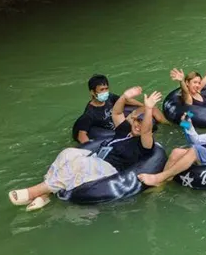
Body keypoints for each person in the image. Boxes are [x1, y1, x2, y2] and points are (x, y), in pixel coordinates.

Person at [9, 89, 162, 211]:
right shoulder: (125, 130)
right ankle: (45, 194)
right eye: (136, 121)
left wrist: (148, 109)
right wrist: (124, 96)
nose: (138, 125)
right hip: (97, 157)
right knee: (67, 153)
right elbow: (116, 113)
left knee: (79, 165)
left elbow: (146, 130)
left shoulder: (145, 144)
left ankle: (32, 192)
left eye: (142, 124)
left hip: (110, 168)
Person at [73, 74, 167, 143]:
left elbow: (126, 101)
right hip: (117, 130)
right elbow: (81, 135)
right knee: (142, 127)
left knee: (152, 109)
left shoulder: (109, 97)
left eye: (106, 88)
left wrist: (144, 105)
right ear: (92, 92)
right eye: (102, 90)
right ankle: (156, 140)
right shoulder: (89, 113)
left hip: (122, 120)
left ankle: (169, 124)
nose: (105, 92)